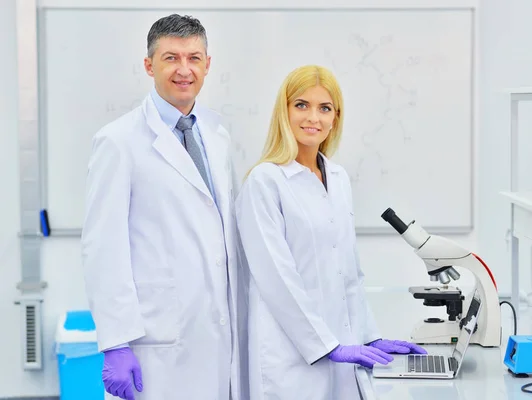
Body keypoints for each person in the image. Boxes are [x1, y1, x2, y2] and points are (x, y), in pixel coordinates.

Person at [235, 65, 426, 400]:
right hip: (290, 360)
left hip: (343, 352)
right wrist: (326, 346)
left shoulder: (337, 177)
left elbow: (348, 272)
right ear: (285, 110)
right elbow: (276, 278)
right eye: (301, 105)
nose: (313, 118)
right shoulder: (265, 182)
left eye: (325, 108)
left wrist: (369, 336)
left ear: (336, 118)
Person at [81, 14, 247, 400]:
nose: (183, 70)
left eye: (194, 58)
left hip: (217, 335)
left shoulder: (216, 136)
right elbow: (102, 248)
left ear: (208, 64)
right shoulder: (118, 141)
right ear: (148, 64)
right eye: (171, 57)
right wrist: (116, 342)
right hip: (156, 341)